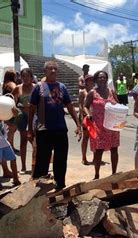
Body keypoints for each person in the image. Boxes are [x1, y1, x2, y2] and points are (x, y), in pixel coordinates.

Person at [28, 60, 81, 190]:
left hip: (60, 129)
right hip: (43, 130)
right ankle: (40, 190)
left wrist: (78, 125)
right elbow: (31, 108)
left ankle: (60, 187)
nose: (53, 71)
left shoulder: (62, 87)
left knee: (61, 160)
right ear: (44, 71)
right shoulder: (39, 87)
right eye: (50, 69)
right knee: (42, 161)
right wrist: (30, 128)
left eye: (55, 69)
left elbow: (69, 106)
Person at [84, 71, 120, 179]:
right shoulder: (92, 93)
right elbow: (85, 106)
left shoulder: (111, 91)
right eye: (100, 78)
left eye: (104, 77)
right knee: (98, 150)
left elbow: (118, 104)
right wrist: (89, 114)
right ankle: (97, 174)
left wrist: (119, 112)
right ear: (96, 80)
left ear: (106, 79)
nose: (102, 79)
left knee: (114, 149)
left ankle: (114, 173)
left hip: (112, 125)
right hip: (98, 126)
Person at [13, 68, 36, 174]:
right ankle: (23, 167)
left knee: (35, 142)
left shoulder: (35, 88)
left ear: (31, 77)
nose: (26, 78)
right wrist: (19, 107)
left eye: (28, 76)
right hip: (22, 117)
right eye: (24, 76)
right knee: (23, 141)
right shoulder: (18, 88)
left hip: (34, 117)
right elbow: (11, 101)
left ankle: (35, 165)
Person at [0, 120, 19, 190]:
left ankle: (16, 179)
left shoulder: (1, 114)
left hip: (5, 142)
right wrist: (0, 119)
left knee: (13, 159)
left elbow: (10, 124)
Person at [79, 73, 94, 165]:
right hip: (86, 117)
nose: (91, 82)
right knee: (85, 138)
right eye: (89, 80)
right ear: (86, 81)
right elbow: (81, 106)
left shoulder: (95, 91)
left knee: (94, 137)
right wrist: (81, 117)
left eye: (92, 80)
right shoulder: (82, 92)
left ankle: (95, 157)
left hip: (95, 117)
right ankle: (84, 157)